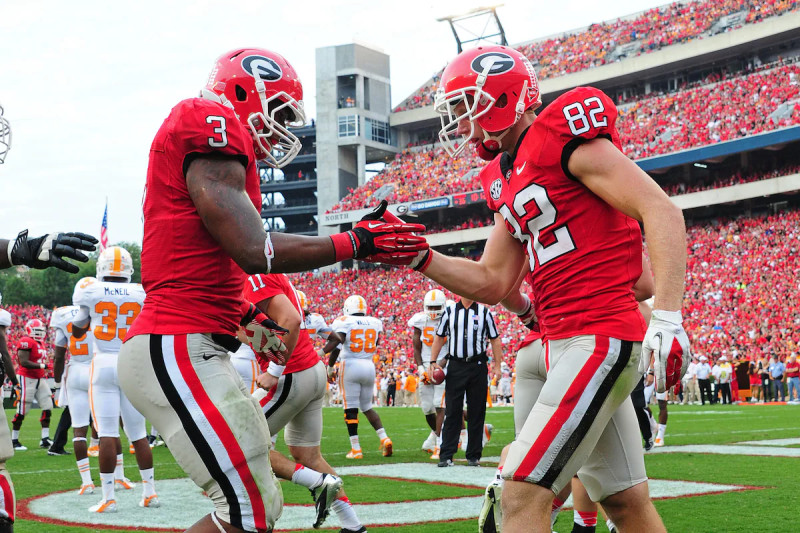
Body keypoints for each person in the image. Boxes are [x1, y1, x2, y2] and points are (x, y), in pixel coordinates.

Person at [117, 47, 426, 533]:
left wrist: (279, 345)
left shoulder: (222, 155)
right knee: (247, 508)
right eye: (278, 111)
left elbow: (226, 297)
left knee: (260, 507)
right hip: (175, 343)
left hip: (196, 341)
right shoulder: (206, 117)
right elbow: (251, 248)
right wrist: (356, 241)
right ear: (244, 93)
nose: (281, 127)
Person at [412, 44, 689, 531]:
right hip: (560, 339)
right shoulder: (505, 174)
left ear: (500, 99)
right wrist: (417, 256)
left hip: (597, 336)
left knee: (520, 494)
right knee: (625, 505)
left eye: (464, 108)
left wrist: (668, 317)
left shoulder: (561, 135)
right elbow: (492, 280)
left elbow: (662, 209)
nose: (459, 123)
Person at [245, 274, 364, 532]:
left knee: (236, 439)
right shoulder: (265, 271)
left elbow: (292, 320)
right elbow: (258, 330)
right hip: (310, 368)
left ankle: (319, 482)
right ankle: (353, 525)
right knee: (308, 455)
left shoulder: (251, 275)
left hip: (291, 374)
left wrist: (274, 369)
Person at [72, 247, 158, 513]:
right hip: (132, 362)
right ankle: (150, 493)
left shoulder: (90, 289)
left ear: (102, 267)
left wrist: (88, 319)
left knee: (108, 433)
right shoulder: (141, 291)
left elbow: (77, 329)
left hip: (104, 364)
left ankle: (109, 497)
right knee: (139, 434)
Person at [430, 297, 501, 468]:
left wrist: (498, 365)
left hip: (477, 365)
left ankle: (474, 455)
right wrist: (433, 361)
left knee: (477, 411)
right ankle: (446, 454)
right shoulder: (450, 311)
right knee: (452, 410)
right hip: (456, 364)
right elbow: (439, 337)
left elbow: (495, 339)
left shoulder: (484, 312)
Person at [324, 295, 393, 459]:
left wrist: (330, 367)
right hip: (369, 365)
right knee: (367, 406)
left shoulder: (344, 321)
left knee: (350, 408)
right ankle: (384, 438)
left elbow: (337, 345)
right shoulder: (375, 322)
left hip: (350, 364)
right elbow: (375, 343)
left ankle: (356, 448)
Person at [49, 304, 96, 492]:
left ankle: (86, 482)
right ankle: (115, 479)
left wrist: (58, 380)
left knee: (79, 431)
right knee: (108, 428)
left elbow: (59, 355)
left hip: (75, 370)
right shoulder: (98, 309)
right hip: (97, 368)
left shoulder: (63, 315)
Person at [409, 289, 447, 459]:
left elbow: (452, 347)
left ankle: (439, 444)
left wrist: (439, 366)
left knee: (440, 405)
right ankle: (435, 435)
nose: (433, 311)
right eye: (430, 308)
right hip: (425, 365)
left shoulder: (449, 318)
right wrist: (421, 368)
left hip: (443, 365)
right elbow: (416, 347)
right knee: (427, 407)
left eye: (436, 307)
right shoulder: (420, 320)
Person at [11, 318, 54, 451]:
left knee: (48, 407)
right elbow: (24, 362)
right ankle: (14, 440)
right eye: (36, 331)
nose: (39, 333)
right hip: (26, 377)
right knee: (22, 410)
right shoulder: (26, 341)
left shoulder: (40, 343)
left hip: (39, 378)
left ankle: (45, 439)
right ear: (29, 330)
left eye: (40, 331)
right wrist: (44, 365)